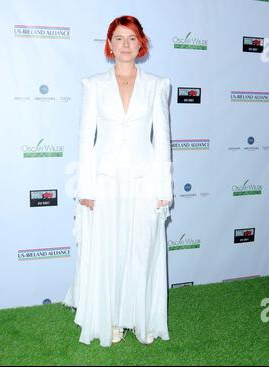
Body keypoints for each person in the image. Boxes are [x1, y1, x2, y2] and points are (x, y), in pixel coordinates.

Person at [63, 15, 174, 347]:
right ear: (109, 45)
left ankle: (142, 318)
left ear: (141, 44)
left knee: (143, 249)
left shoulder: (157, 85)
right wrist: (86, 187)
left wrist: (164, 188)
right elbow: (85, 138)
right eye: (119, 38)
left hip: (144, 180)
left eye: (132, 38)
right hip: (105, 180)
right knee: (108, 253)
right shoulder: (94, 84)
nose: (126, 45)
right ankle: (111, 319)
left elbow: (163, 139)